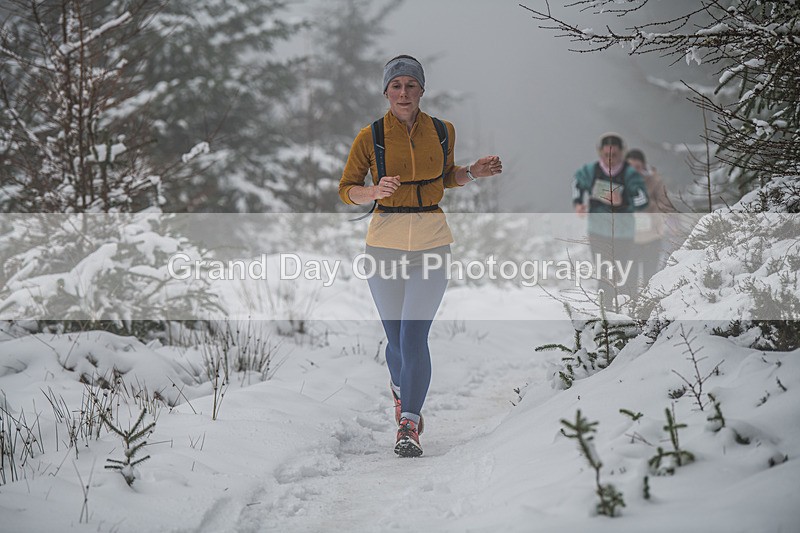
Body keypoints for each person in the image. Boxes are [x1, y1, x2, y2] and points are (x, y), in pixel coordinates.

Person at [338, 55, 502, 457]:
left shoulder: (443, 131)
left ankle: (408, 422)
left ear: (422, 90)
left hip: (431, 242)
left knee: (413, 336)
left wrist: (472, 173)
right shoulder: (371, 135)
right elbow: (347, 189)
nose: (404, 93)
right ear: (386, 92)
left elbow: (447, 177)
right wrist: (373, 192)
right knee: (395, 340)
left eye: (411, 85)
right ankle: (400, 387)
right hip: (384, 244)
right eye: (396, 86)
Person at [572, 133, 649, 302]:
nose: (610, 159)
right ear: (600, 153)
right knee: (604, 274)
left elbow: (643, 200)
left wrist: (623, 201)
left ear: (622, 153)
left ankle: (625, 314)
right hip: (597, 232)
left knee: (622, 274)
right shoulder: (591, 171)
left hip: (624, 234)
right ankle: (605, 316)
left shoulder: (630, 175)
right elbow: (577, 182)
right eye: (606, 155)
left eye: (614, 155)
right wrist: (578, 203)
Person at [625, 149, 677, 291]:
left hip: (652, 236)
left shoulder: (655, 181)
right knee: (630, 276)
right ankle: (630, 304)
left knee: (650, 274)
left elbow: (665, 204)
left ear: (643, 166)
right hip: (630, 237)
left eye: (637, 167)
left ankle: (648, 305)